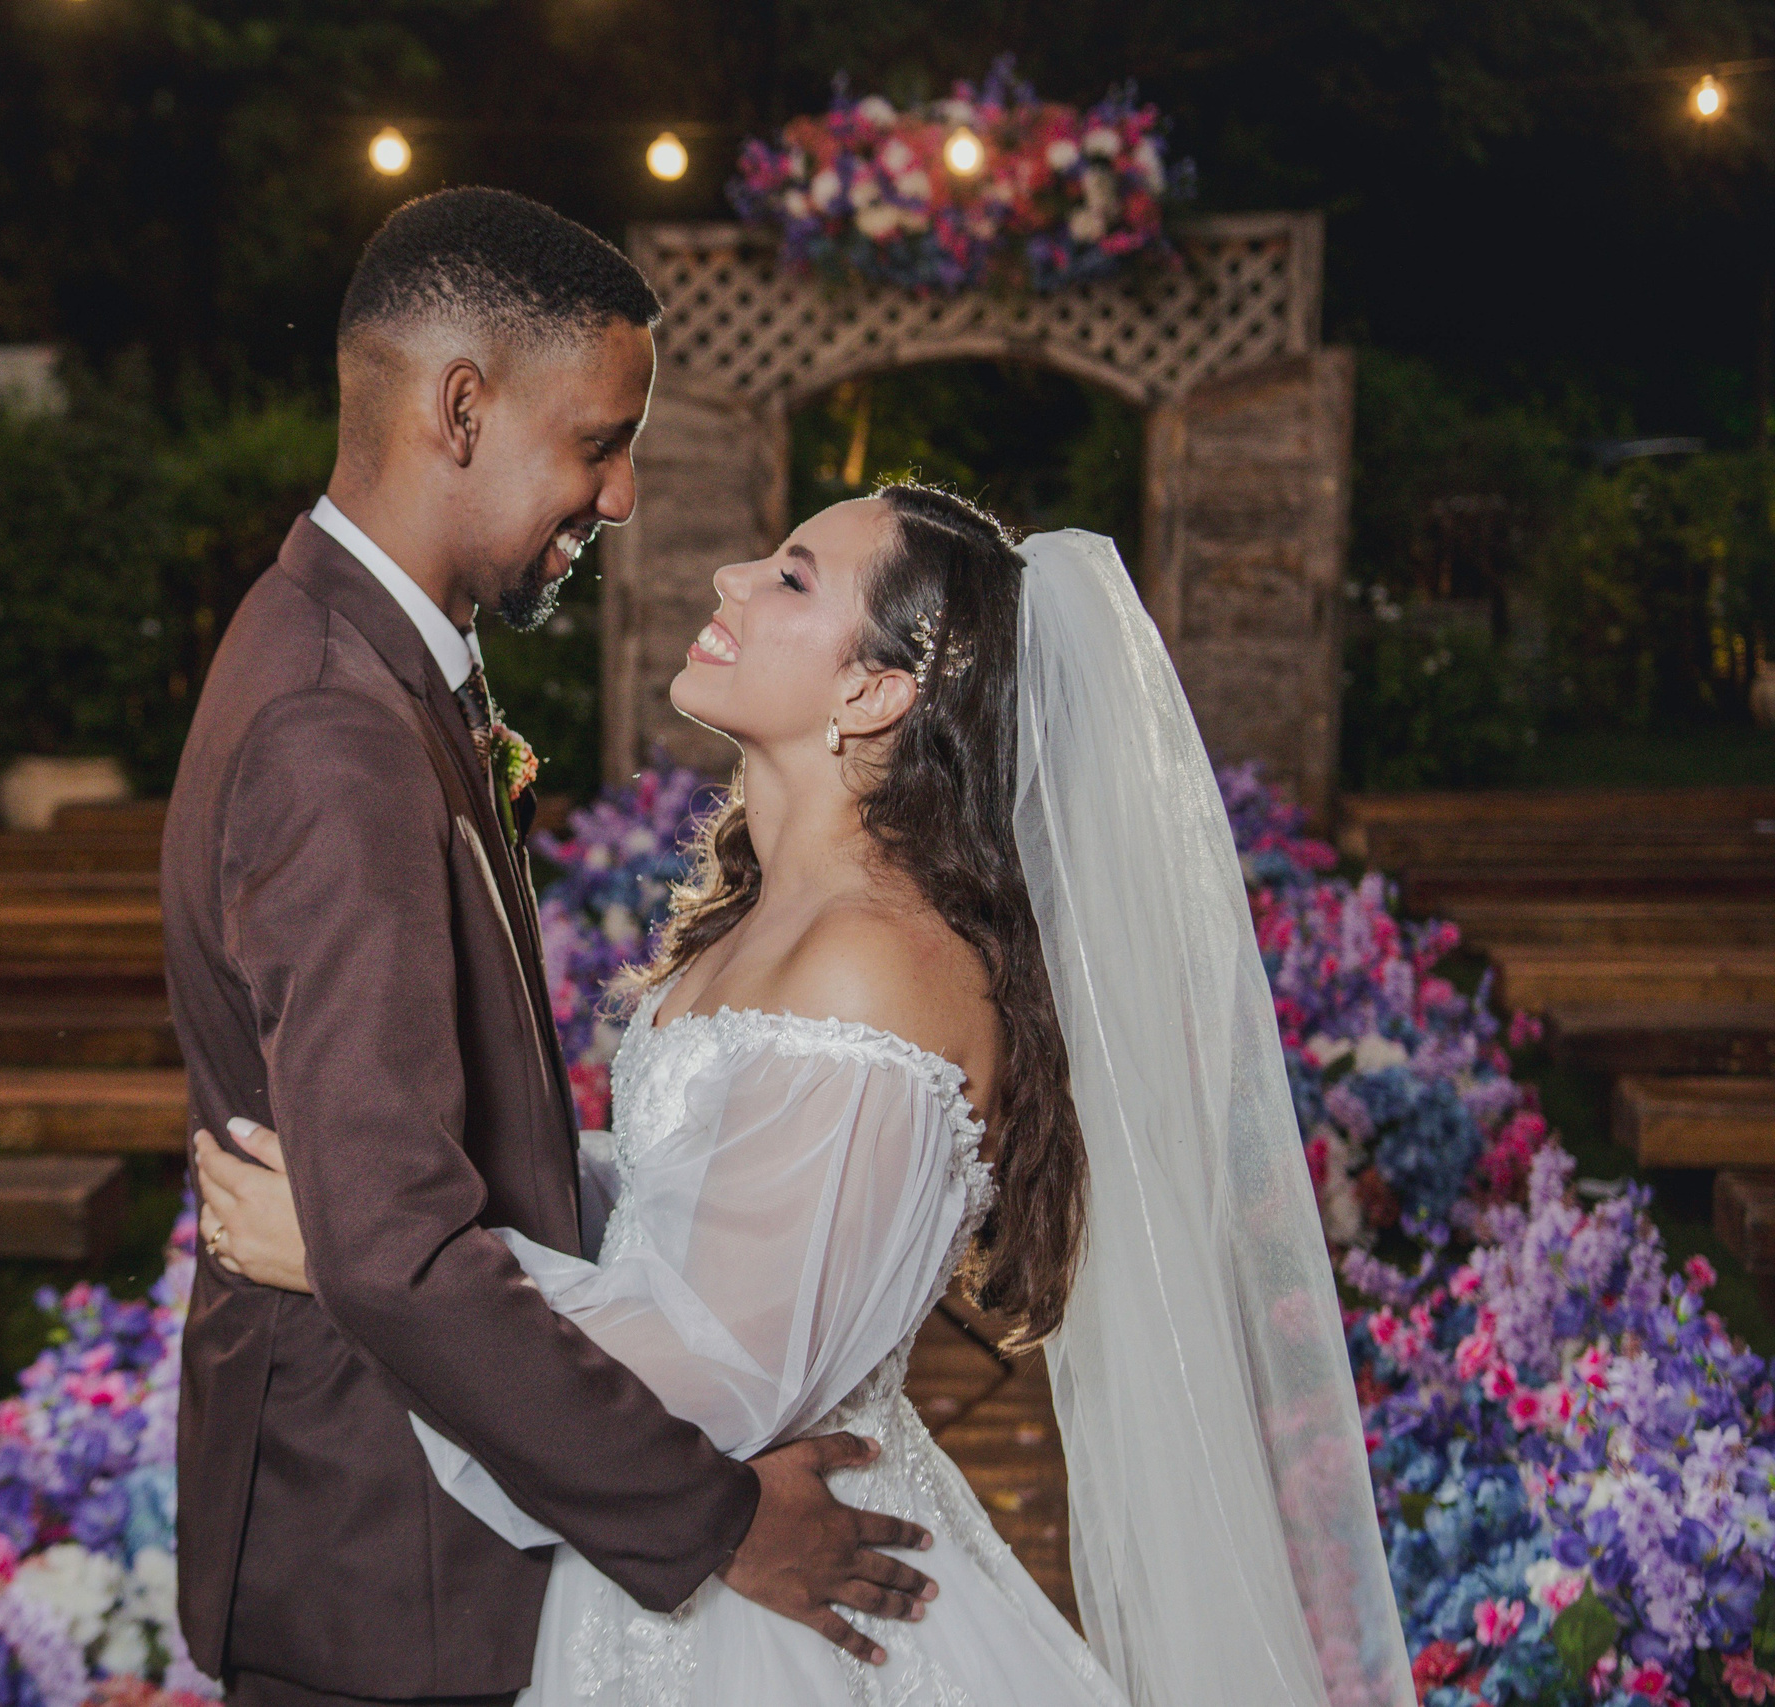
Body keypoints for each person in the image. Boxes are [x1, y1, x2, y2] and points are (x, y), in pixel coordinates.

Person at [199, 484, 1418, 1706]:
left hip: (777, 1611)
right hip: (686, 1573)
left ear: (873, 692)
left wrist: (359, 1255)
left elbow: (715, 1376)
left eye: (789, 577)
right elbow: (713, 1206)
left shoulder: (872, 960)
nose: (730, 580)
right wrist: (444, 1175)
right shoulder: (775, 917)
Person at [159, 187, 938, 1707]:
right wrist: (720, 1523)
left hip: (418, 1538)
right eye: (599, 440)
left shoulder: (368, 667)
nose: (626, 493)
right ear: (462, 408)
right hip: (391, 1572)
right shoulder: (336, 725)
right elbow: (392, 1255)